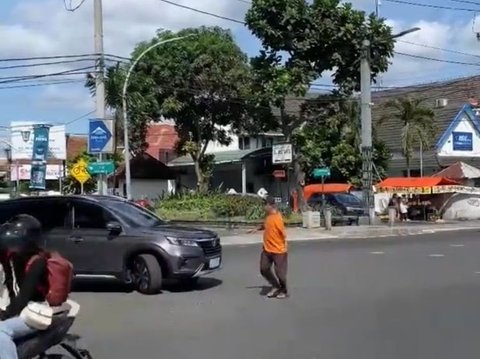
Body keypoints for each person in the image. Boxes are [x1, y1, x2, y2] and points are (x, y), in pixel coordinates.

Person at [0, 214, 49, 359]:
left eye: (17, 242)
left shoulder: (38, 262)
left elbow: (23, 298)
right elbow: (11, 288)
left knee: (2, 330)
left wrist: (4, 315)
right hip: (19, 308)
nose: (13, 246)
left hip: (35, 311)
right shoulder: (13, 257)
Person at [250, 196, 288, 299]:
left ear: (271, 206)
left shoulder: (278, 218)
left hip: (278, 250)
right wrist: (257, 228)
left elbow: (283, 234)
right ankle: (275, 285)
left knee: (280, 274)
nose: (263, 207)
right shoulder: (269, 216)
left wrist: (283, 247)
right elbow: (266, 225)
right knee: (263, 269)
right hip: (267, 250)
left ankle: (283, 290)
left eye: (265, 205)